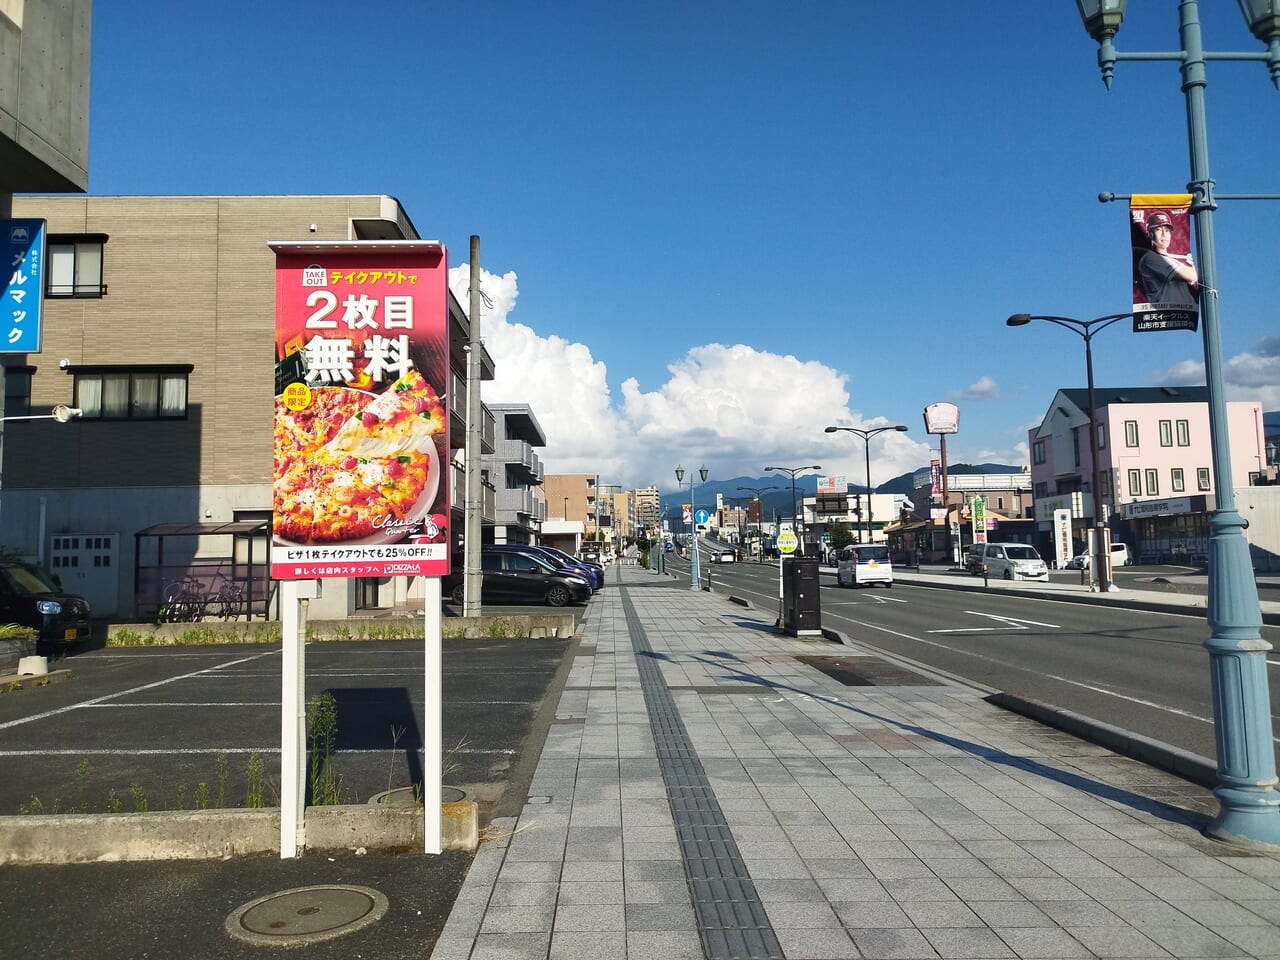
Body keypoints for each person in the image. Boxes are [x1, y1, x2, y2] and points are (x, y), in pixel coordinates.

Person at [1138, 212, 1198, 307]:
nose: (1163, 234)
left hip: (1184, 314)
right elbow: (1191, 277)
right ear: (1149, 234)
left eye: (1166, 230)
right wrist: (1190, 264)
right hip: (1166, 314)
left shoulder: (1171, 260)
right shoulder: (1151, 258)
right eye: (1158, 229)